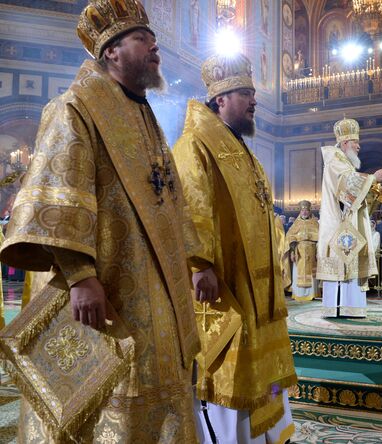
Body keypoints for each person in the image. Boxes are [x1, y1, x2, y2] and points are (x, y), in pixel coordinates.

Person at [0, 1, 200, 440]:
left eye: (154, 40)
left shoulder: (144, 115)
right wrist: (80, 274)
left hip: (160, 290)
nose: (155, 49)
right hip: (108, 286)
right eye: (143, 40)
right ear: (111, 51)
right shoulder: (74, 108)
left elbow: (168, 198)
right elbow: (56, 197)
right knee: (112, 393)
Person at [172, 52, 296, 444]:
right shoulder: (195, 144)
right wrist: (199, 264)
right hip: (224, 286)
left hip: (259, 291)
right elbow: (191, 205)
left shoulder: (242, 150)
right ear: (220, 99)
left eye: (254, 92)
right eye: (245, 93)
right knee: (227, 374)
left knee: (262, 374)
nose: (254, 100)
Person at [317, 117, 382, 317]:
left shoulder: (344, 162)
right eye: (355, 142)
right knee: (341, 266)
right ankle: (339, 309)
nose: (358, 146)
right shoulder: (335, 161)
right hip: (339, 227)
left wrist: (376, 189)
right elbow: (346, 186)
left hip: (349, 225)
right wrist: (373, 177)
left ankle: (351, 308)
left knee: (350, 266)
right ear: (345, 142)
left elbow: (357, 196)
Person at [282, 200, 319, 302]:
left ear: (309, 211)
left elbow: (319, 237)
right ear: (300, 212)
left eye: (306, 210)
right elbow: (290, 238)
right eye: (303, 210)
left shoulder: (315, 223)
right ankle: (298, 294)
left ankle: (311, 294)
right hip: (299, 252)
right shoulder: (296, 224)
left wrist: (318, 252)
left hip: (312, 252)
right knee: (298, 272)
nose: (305, 212)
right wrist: (293, 252)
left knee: (311, 273)